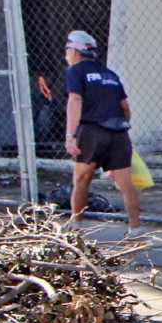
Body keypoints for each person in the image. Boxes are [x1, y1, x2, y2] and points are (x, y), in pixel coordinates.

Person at [62, 30, 145, 237]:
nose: (66, 54)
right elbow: (125, 108)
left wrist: (70, 136)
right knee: (126, 184)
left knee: (81, 180)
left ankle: (75, 228)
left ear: (75, 51)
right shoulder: (110, 74)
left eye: (67, 49)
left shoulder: (75, 71)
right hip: (118, 132)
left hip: (91, 131)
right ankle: (135, 229)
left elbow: (75, 101)